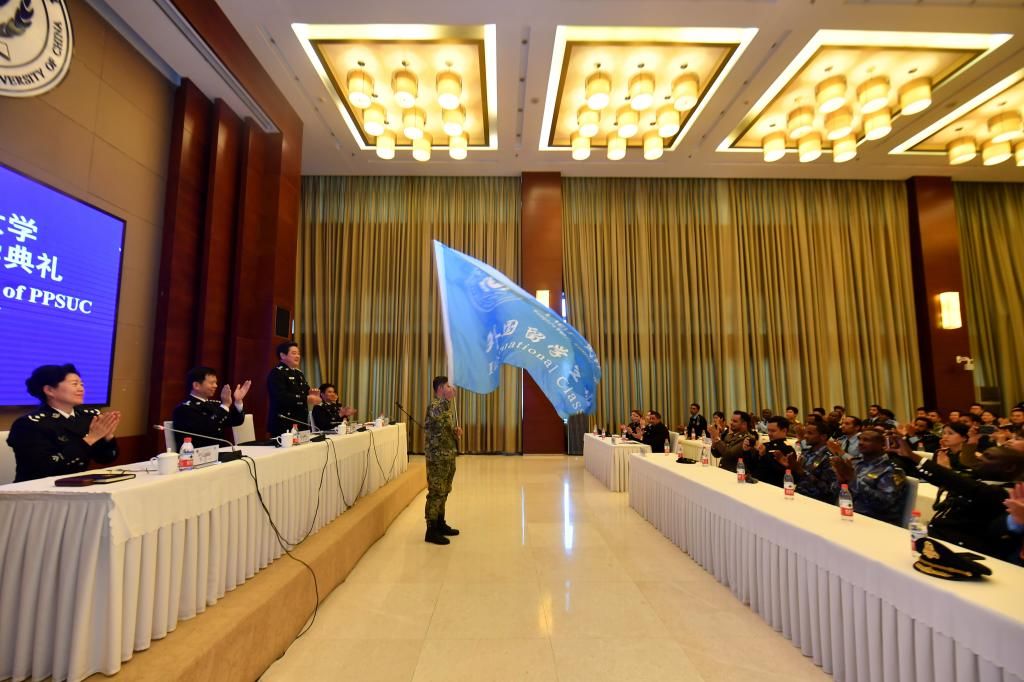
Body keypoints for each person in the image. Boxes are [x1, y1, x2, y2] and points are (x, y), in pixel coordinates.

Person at [890, 442, 1024, 560]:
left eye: (988, 457)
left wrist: (912, 455)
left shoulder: (1006, 493)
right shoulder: (976, 478)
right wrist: (905, 455)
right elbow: (951, 478)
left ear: (1009, 468)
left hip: (964, 551)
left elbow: (958, 482)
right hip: (938, 541)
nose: (980, 458)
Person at [7, 364, 121, 483]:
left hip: (78, 483)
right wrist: (91, 438)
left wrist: (107, 436)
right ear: (49, 390)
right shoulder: (28, 424)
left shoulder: (87, 417)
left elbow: (105, 459)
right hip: (37, 488)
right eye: (74, 384)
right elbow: (43, 468)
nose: (81, 389)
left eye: (82, 384)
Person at [830, 429, 906, 525]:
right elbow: (834, 492)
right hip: (848, 515)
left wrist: (852, 480)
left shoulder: (891, 470)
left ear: (882, 445)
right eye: (860, 439)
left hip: (876, 522)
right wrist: (841, 481)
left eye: (867, 440)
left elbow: (885, 504)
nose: (861, 443)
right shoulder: (855, 463)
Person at [424, 375, 462, 545]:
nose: (452, 389)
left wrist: (455, 431)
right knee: (436, 493)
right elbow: (436, 423)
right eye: (448, 386)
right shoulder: (435, 406)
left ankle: (440, 523)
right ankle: (431, 530)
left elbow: (442, 430)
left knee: (445, 490)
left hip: (447, 456)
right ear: (440, 389)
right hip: (437, 458)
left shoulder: (446, 407)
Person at [171, 366, 250, 448]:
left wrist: (238, 401)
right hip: (198, 453)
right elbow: (207, 429)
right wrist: (225, 406)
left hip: (220, 451)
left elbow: (236, 421)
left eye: (215, 383)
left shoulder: (213, 404)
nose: (215, 386)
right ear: (196, 385)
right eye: (212, 383)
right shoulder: (184, 409)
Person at [266, 341, 321, 437]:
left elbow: (305, 391)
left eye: (298, 353)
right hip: (284, 423)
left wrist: (312, 394)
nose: (298, 356)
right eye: (294, 353)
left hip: (301, 422)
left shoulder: (299, 373)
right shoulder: (276, 373)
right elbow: (281, 397)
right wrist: (306, 398)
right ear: (283, 355)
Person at [782, 421, 839, 504]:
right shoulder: (806, 452)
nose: (805, 436)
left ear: (823, 437)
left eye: (810, 433)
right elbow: (799, 478)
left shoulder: (830, 458)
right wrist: (790, 467)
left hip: (817, 502)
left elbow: (829, 489)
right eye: (805, 433)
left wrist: (802, 472)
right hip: (799, 496)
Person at [745, 416, 795, 486]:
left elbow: (781, 474)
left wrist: (764, 455)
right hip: (756, 483)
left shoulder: (787, 449)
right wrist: (747, 451)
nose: (769, 433)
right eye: (768, 430)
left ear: (784, 430)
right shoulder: (765, 445)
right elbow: (751, 467)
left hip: (772, 486)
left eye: (773, 431)